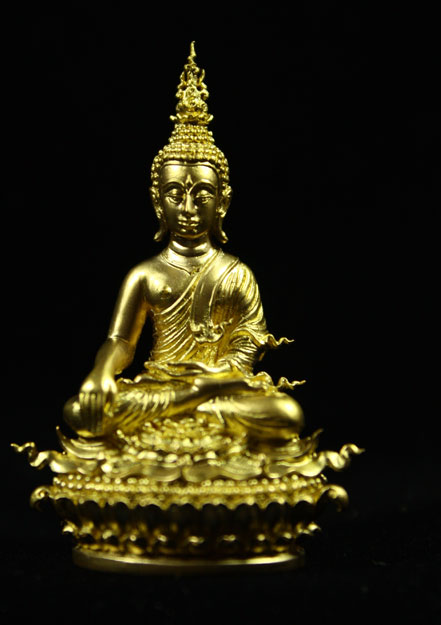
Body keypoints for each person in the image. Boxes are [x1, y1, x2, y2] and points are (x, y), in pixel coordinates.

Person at [63, 44, 304, 447]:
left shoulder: (237, 274)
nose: (189, 208)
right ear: (157, 202)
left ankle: (185, 412)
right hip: (160, 386)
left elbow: (247, 345)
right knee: (81, 410)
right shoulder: (145, 274)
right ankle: (193, 413)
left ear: (223, 202)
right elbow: (121, 342)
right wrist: (100, 373)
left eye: (202, 195)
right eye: (175, 194)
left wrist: (212, 381)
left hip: (219, 387)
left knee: (285, 413)